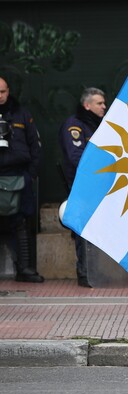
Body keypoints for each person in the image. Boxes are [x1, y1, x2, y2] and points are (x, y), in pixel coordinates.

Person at [58, 87, 107, 287]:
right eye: (99, 103)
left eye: (104, 103)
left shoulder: (100, 125)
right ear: (87, 105)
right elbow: (76, 157)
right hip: (83, 187)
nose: (104, 106)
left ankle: (100, 271)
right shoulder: (75, 125)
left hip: (101, 187)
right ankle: (85, 273)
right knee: (84, 230)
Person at [0, 76, 44, 283]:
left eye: (3, 91)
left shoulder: (22, 114)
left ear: (9, 91)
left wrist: (30, 175)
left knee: (21, 223)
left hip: (19, 176)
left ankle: (25, 268)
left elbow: (35, 147)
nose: (0, 96)